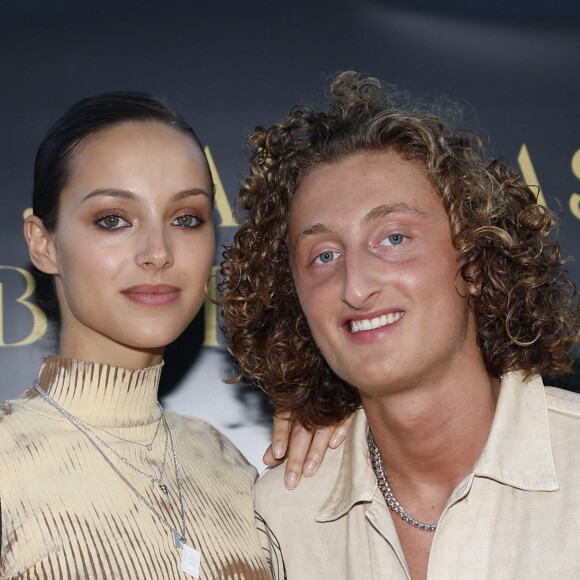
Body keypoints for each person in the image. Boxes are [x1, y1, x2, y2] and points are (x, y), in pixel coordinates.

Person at [219, 71, 580, 579]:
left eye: (393, 238)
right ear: (294, 299)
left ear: (473, 261)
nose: (355, 285)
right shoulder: (279, 518)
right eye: (323, 255)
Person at [0, 91, 346, 579]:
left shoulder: (232, 470)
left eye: (186, 219)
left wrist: (351, 427)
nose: (158, 252)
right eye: (113, 219)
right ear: (44, 244)